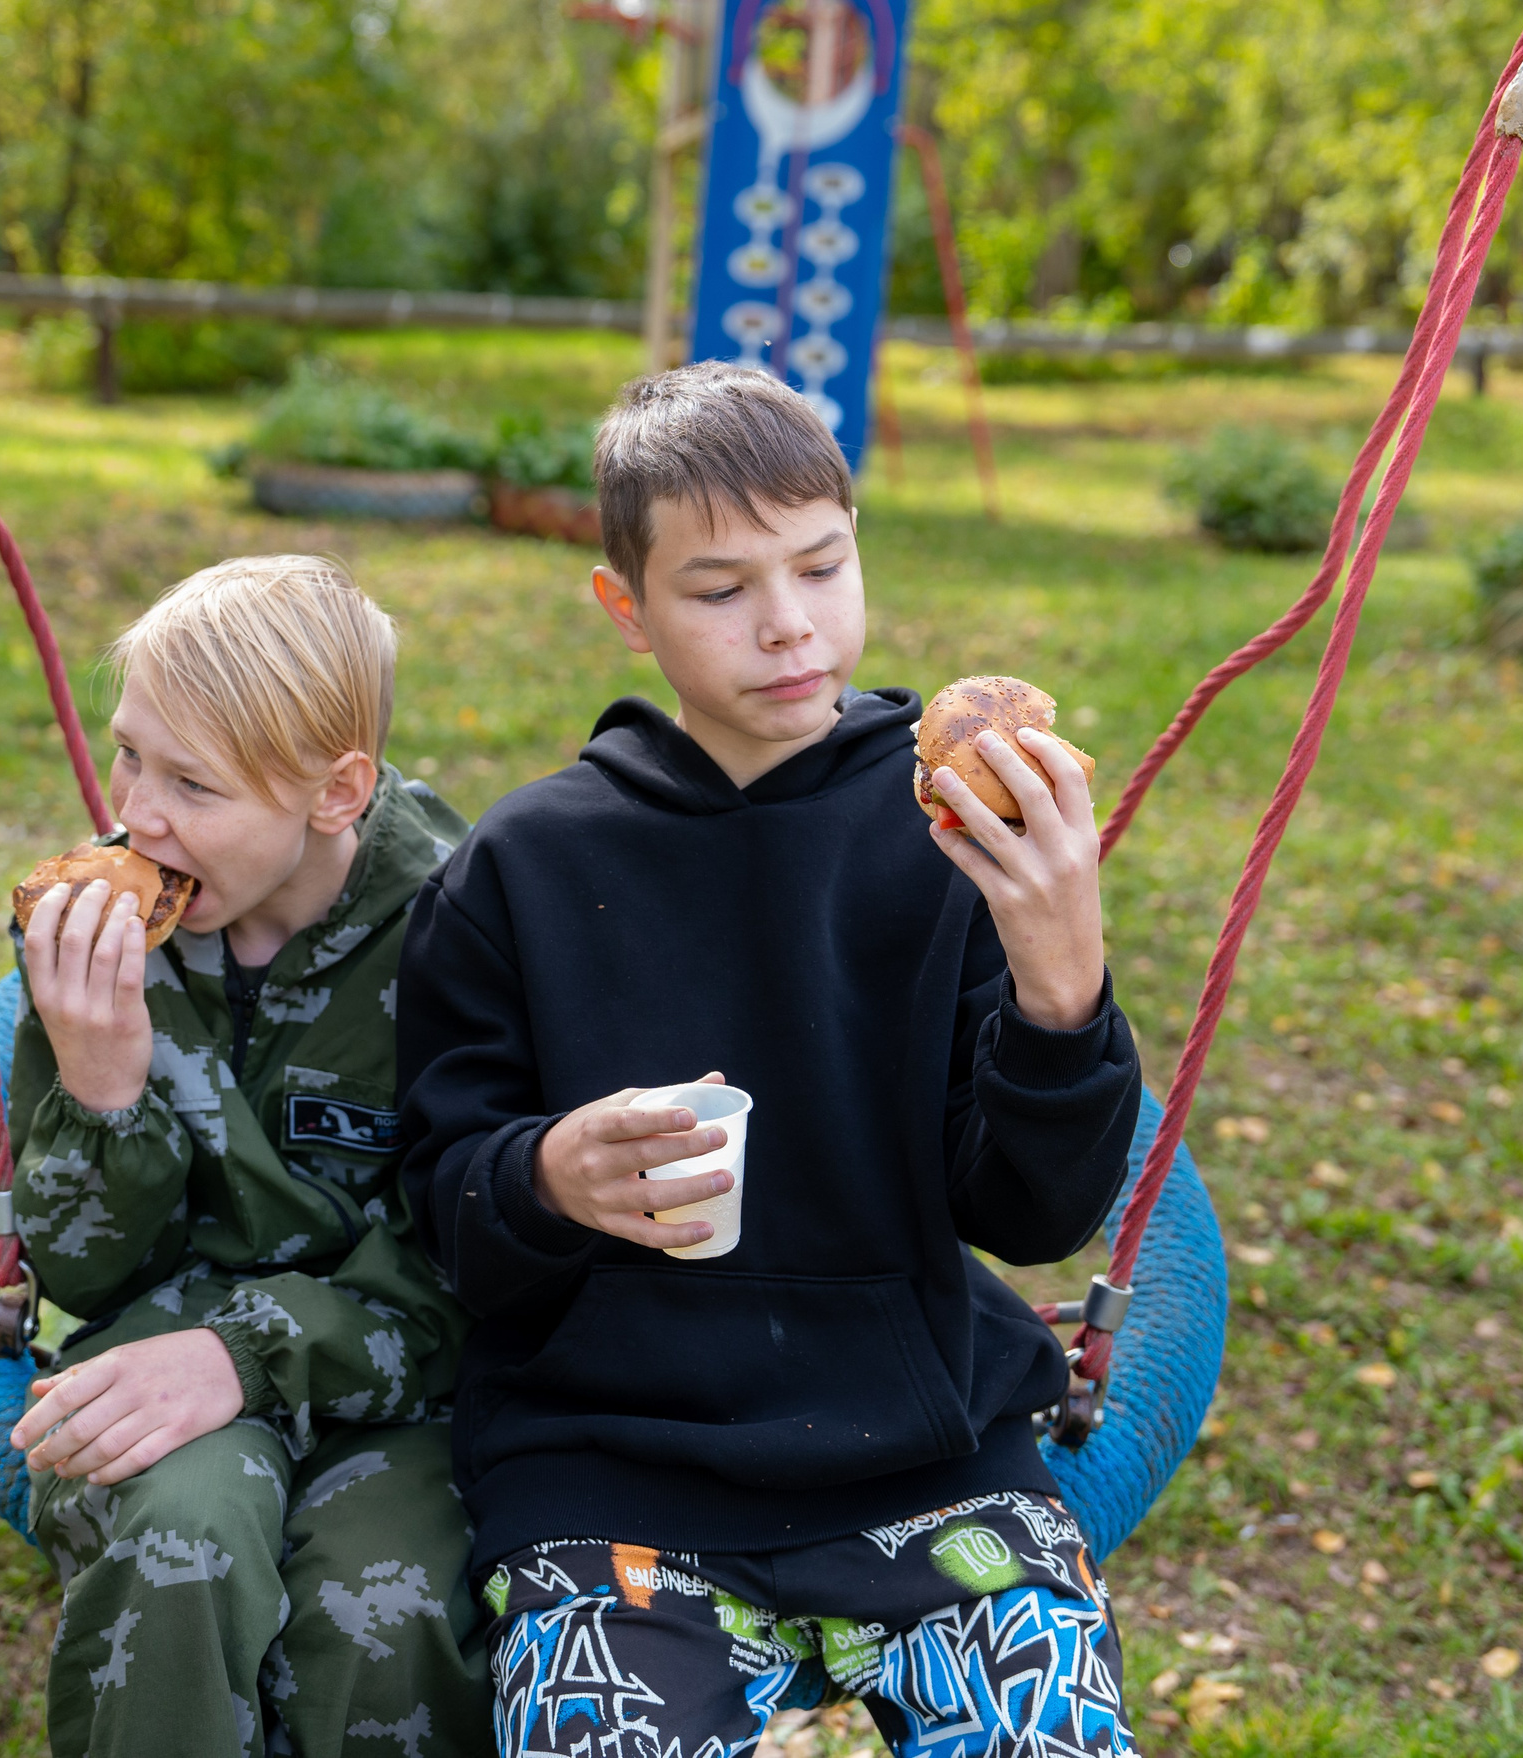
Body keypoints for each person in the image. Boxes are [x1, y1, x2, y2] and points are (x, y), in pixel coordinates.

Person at [396, 361, 1147, 1758]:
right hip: (609, 1473)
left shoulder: (955, 836)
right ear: (626, 607)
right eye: (719, 588)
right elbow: (442, 1212)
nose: (789, 623)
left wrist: (1062, 984)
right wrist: (543, 1176)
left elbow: (1034, 1213)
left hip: (929, 1458)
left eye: (821, 565)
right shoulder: (523, 868)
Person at [4, 555, 489, 1758]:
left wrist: (251, 1353)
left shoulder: (469, 939)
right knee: (178, 1546)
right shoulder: (105, 934)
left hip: (403, 1392)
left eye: (194, 784)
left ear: (337, 792)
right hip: (150, 1357)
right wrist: (102, 1087)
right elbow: (84, 1276)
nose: (139, 815)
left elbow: (480, 1264)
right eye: (130, 755)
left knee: (385, 1616)